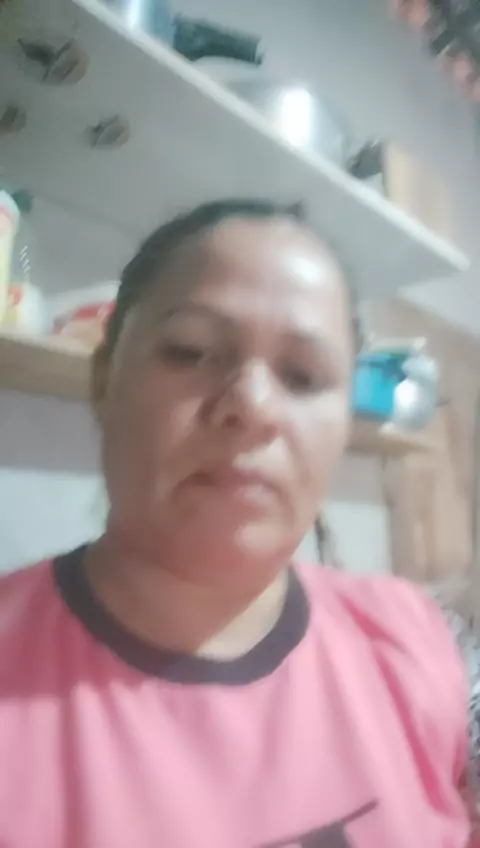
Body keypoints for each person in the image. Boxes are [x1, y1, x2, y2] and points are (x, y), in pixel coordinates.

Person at [0, 199, 478, 848]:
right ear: (105, 380)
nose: (252, 405)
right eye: (191, 352)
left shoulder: (421, 640)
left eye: (303, 376)